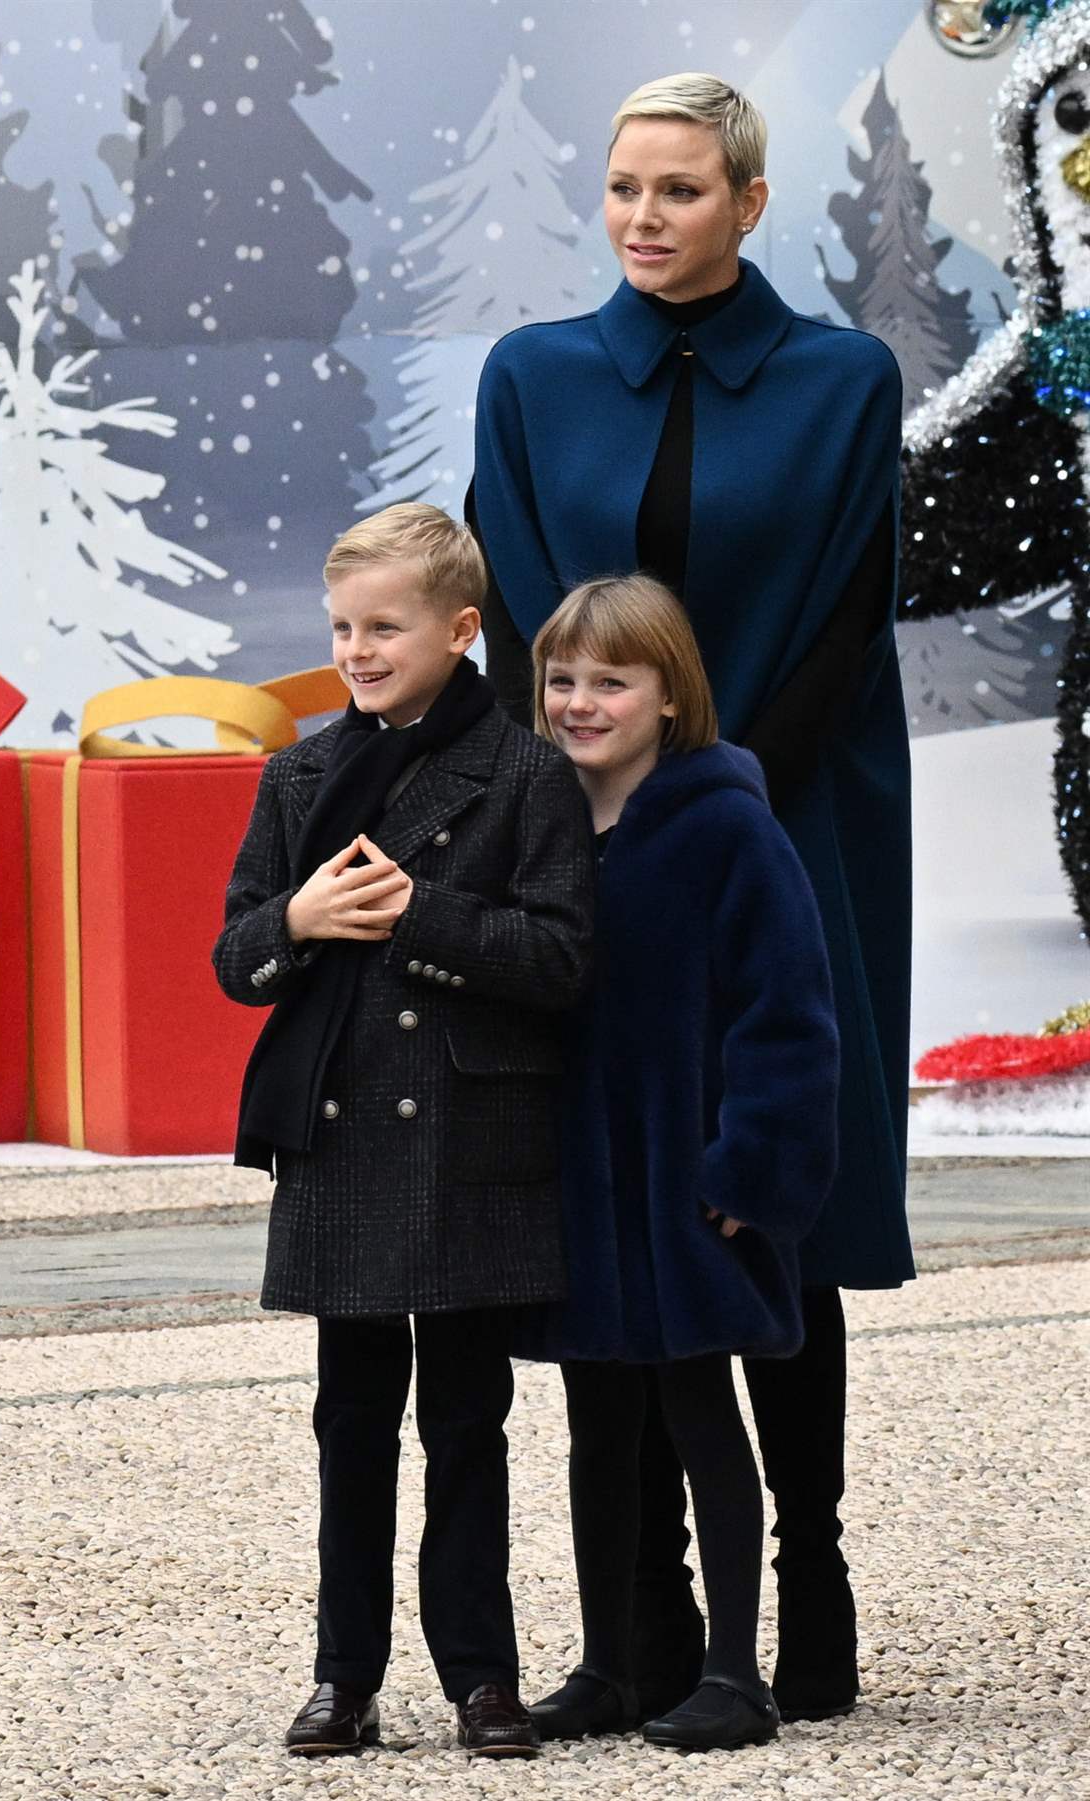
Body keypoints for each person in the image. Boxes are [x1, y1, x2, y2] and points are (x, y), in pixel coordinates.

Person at [469, 70, 914, 1724]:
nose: (645, 218)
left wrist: (716, 790)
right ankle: (645, 1626)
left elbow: (850, 613)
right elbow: (521, 593)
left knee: (771, 1207)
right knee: (611, 1209)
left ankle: (815, 1580)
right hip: (580, 835)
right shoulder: (530, 380)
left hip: (783, 825)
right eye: (622, 189)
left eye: (680, 190)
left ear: (747, 199)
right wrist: (571, 805)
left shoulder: (843, 382)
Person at [212, 502, 595, 1760]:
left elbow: (559, 960)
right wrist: (303, 920)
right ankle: (344, 1678)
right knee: (350, 1422)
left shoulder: (530, 773)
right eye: (340, 628)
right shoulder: (299, 772)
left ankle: (484, 1676)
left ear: (462, 629)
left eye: (385, 626)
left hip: (472, 1142)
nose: (358, 650)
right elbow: (234, 955)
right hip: (340, 1140)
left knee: (469, 1426)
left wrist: (418, 913)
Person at [516, 574, 839, 1752]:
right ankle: (613, 1662)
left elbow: (790, 1017)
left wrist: (748, 1172)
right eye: (564, 679)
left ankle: (735, 1673)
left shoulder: (727, 827)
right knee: (598, 1424)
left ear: (668, 697)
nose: (581, 702)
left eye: (613, 681)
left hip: (686, 1185)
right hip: (581, 1187)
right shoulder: (542, 823)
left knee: (702, 1414)